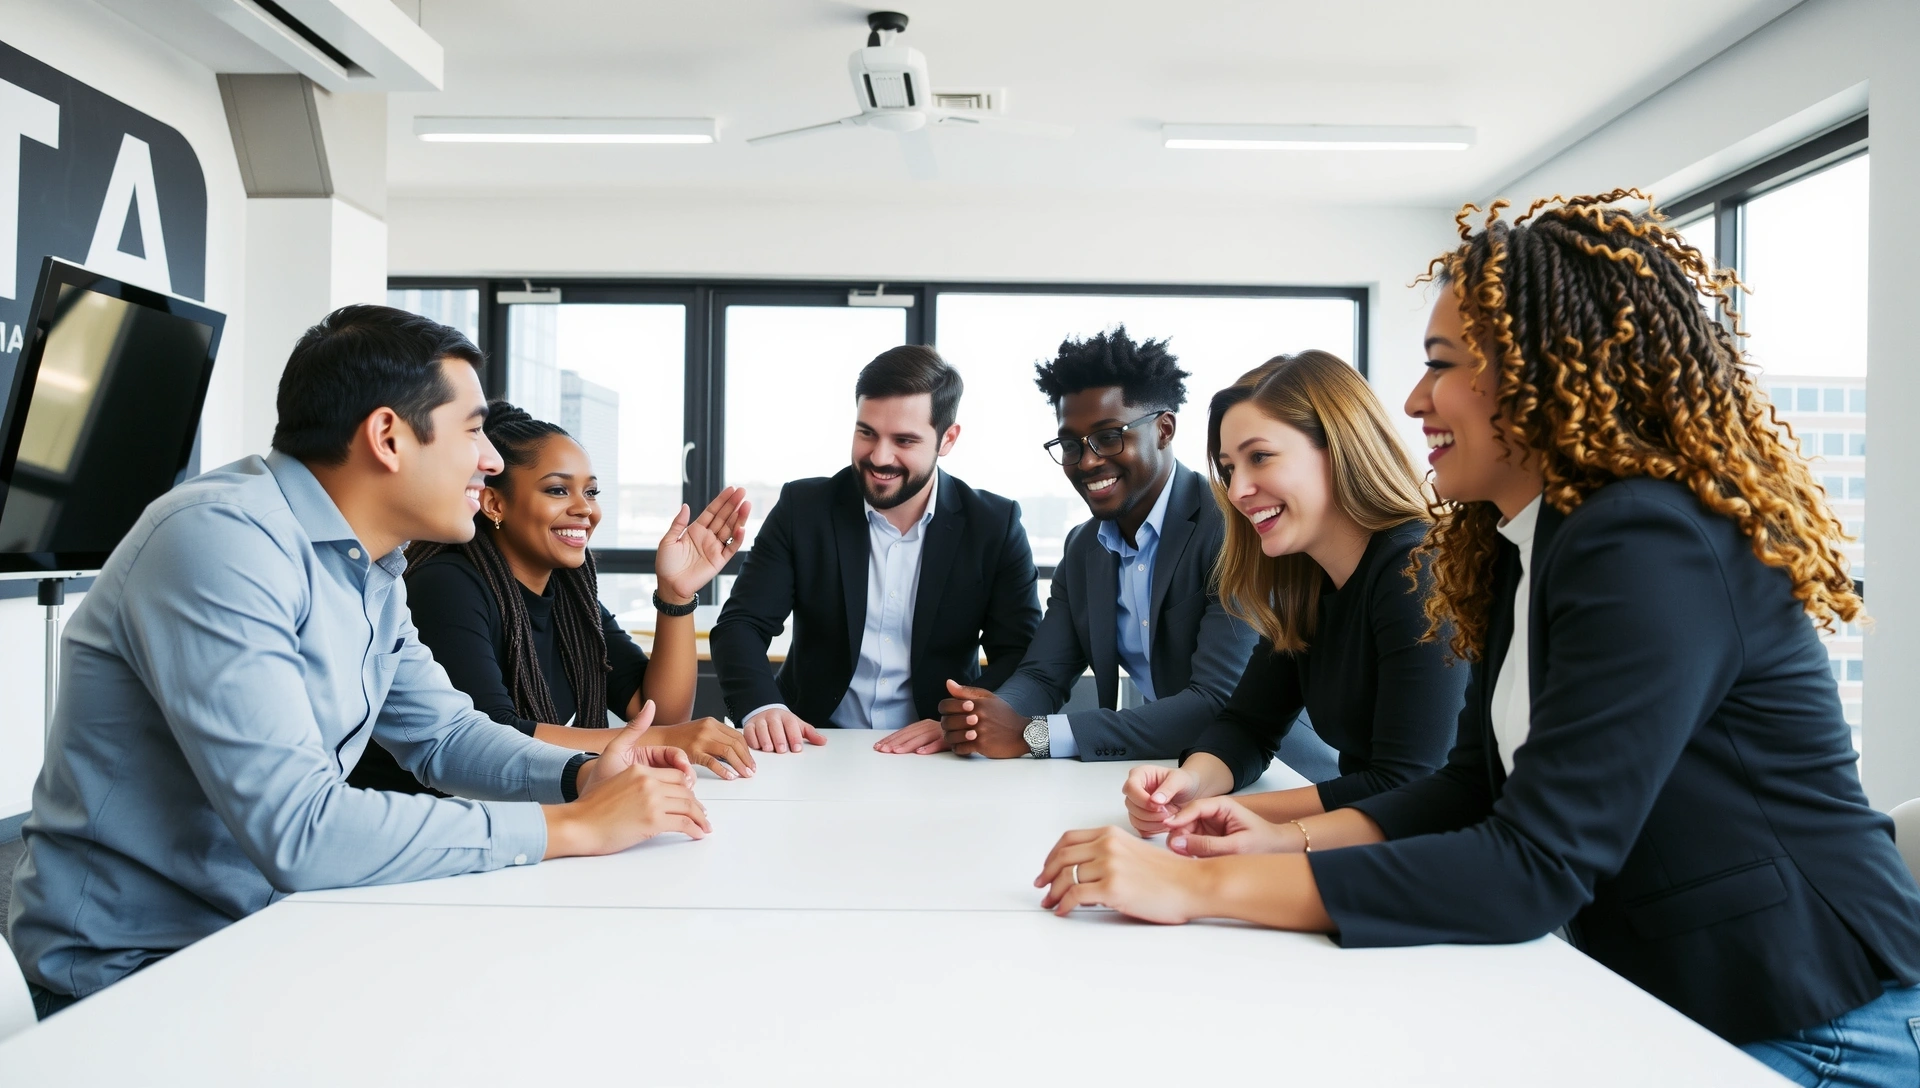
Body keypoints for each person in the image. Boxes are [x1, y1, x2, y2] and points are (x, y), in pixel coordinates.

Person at [1033, 194, 1920, 1080]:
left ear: (1539, 368)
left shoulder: (1647, 539)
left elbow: (1531, 865)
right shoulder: (1520, 541)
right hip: (1675, 998)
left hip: (1809, 1018)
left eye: (1441, 365)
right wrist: (1265, 840)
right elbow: (1467, 787)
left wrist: (1197, 887)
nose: (1415, 399)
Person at [6, 305, 710, 1017]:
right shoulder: (220, 541)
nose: (491, 459)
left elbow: (443, 735)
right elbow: (300, 828)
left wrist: (580, 774)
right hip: (132, 979)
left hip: (271, 936)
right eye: (473, 432)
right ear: (387, 437)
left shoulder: (368, 566)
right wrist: (573, 827)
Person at [1120, 351, 1462, 837]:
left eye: (1259, 457)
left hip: (1449, 871)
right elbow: (1247, 726)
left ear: (1339, 447)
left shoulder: (1415, 571)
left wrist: (1241, 816)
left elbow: (1408, 782)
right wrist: (1188, 784)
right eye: (1228, 467)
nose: (1237, 490)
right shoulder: (1309, 584)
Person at [348, 401, 756, 788]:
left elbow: (658, 715)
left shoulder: (571, 595)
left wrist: (676, 594)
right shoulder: (446, 585)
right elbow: (492, 739)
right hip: (430, 826)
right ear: (493, 503)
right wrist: (663, 741)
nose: (585, 509)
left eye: (591, 492)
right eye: (558, 490)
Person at [899, 326, 1256, 760]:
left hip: (1279, 778)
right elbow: (1043, 675)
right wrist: (977, 722)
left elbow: (1216, 703)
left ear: (1164, 430)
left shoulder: (1232, 530)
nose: (1087, 461)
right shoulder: (1084, 547)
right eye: (1070, 444)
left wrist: (1032, 735)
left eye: (1109, 437)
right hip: (1173, 776)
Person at [709, 345, 1041, 754]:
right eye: (867, 433)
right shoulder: (803, 508)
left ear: (947, 439)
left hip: (940, 751)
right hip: (812, 744)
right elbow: (741, 624)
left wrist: (963, 722)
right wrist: (763, 706)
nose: (879, 457)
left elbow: (1021, 655)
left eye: (904, 440)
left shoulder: (995, 524)